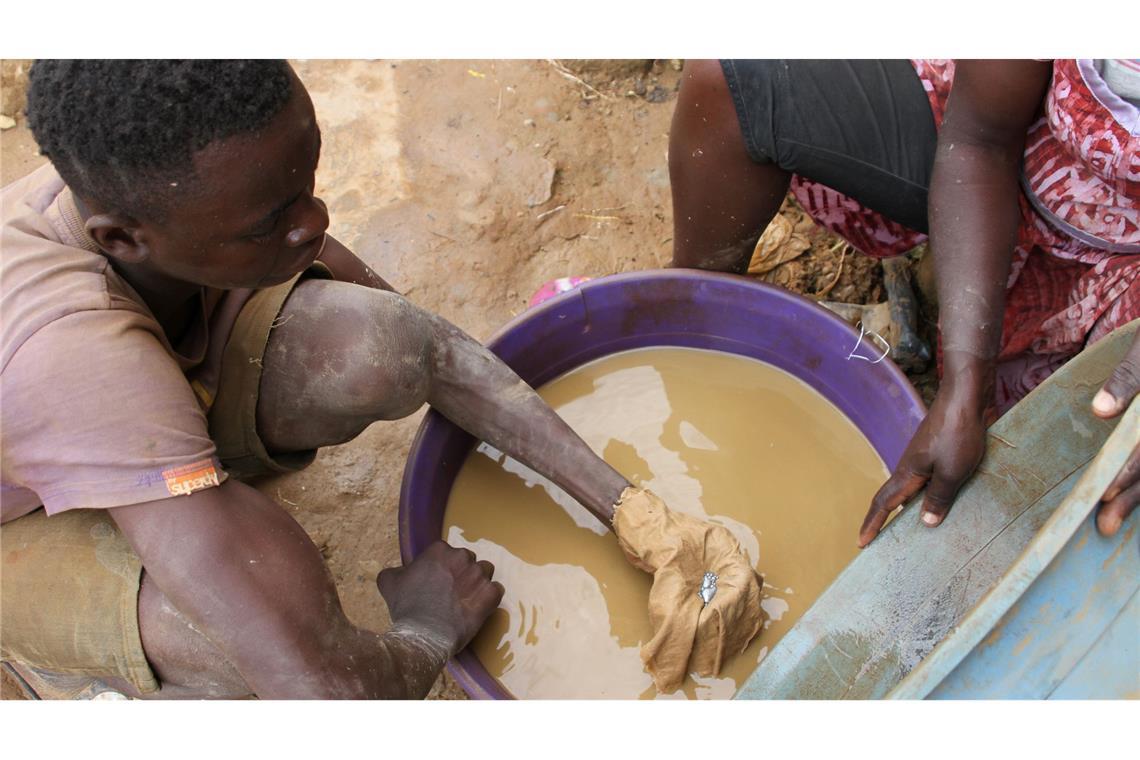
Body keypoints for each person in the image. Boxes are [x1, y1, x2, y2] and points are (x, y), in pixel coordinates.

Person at [0, 59, 641, 699]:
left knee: (377, 349)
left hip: (128, 397)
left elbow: (423, 347)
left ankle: (177, 474)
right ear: (120, 241)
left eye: (305, 182)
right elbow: (326, 693)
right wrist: (427, 628)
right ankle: (52, 670)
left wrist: (629, 508)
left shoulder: (168, 192)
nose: (317, 220)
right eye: (266, 225)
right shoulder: (73, 353)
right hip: (20, 524)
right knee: (224, 658)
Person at [668, 59, 1139, 546]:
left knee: (1093, 486)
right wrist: (965, 385)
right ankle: (685, 336)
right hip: (1012, 148)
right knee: (736, 81)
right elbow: (981, 140)